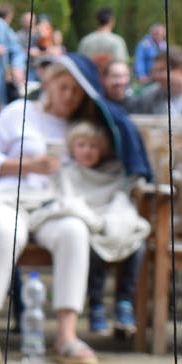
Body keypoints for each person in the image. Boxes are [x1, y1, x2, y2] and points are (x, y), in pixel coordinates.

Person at [0, 54, 150, 364]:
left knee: (75, 231)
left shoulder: (83, 127)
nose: (69, 97)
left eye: (77, 92)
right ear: (49, 83)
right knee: (7, 232)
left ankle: (67, 334)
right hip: (3, 199)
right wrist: (26, 165)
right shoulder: (18, 112)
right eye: (64, 87)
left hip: (51, 206)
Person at [61, 122, 150, 340]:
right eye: (82, 145)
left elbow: (124, 194)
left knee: (138, 244)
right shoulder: (67, 173)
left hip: (115, 223)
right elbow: (68, 200)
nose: (87, 150)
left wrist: (114, 221)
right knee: (89, 247)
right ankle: (96, 303)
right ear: (72, 148)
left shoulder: (115, 172)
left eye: (93, 146)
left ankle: (124, 301)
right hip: (90, 226)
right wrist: (95, 222)